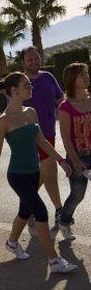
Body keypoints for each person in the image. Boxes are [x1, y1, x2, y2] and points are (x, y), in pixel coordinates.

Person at [0, 71, 77, 273]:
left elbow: (41, 141)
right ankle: (54, 261)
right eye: (27, 85)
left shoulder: (31, 112)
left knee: (24, 212)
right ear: (14, 91)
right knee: (40, 212)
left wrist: (60, 160)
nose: (31, 87)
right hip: (17, 175)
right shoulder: (3, 121)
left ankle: (12, 242)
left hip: (34, 172)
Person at [22, 46, 65, 232]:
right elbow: (14, 107)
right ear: (23, 62)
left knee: (45, 172)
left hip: (49, 132)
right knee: (50, 170)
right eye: (30, 59)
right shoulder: (20, 81)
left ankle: (27, 204)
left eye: (36, 58)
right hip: (30, 136)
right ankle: (59, 209)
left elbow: (60, 99)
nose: (34, 61)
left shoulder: (48, 77)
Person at [58, 63, 91, 240]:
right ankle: (64, 221)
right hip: (78, 157)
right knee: (78, 195)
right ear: (72, 80)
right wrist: (75, 160)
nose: (86, 76)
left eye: (86, 73)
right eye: (81, 75)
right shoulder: (66, 106)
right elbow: (65, 137)